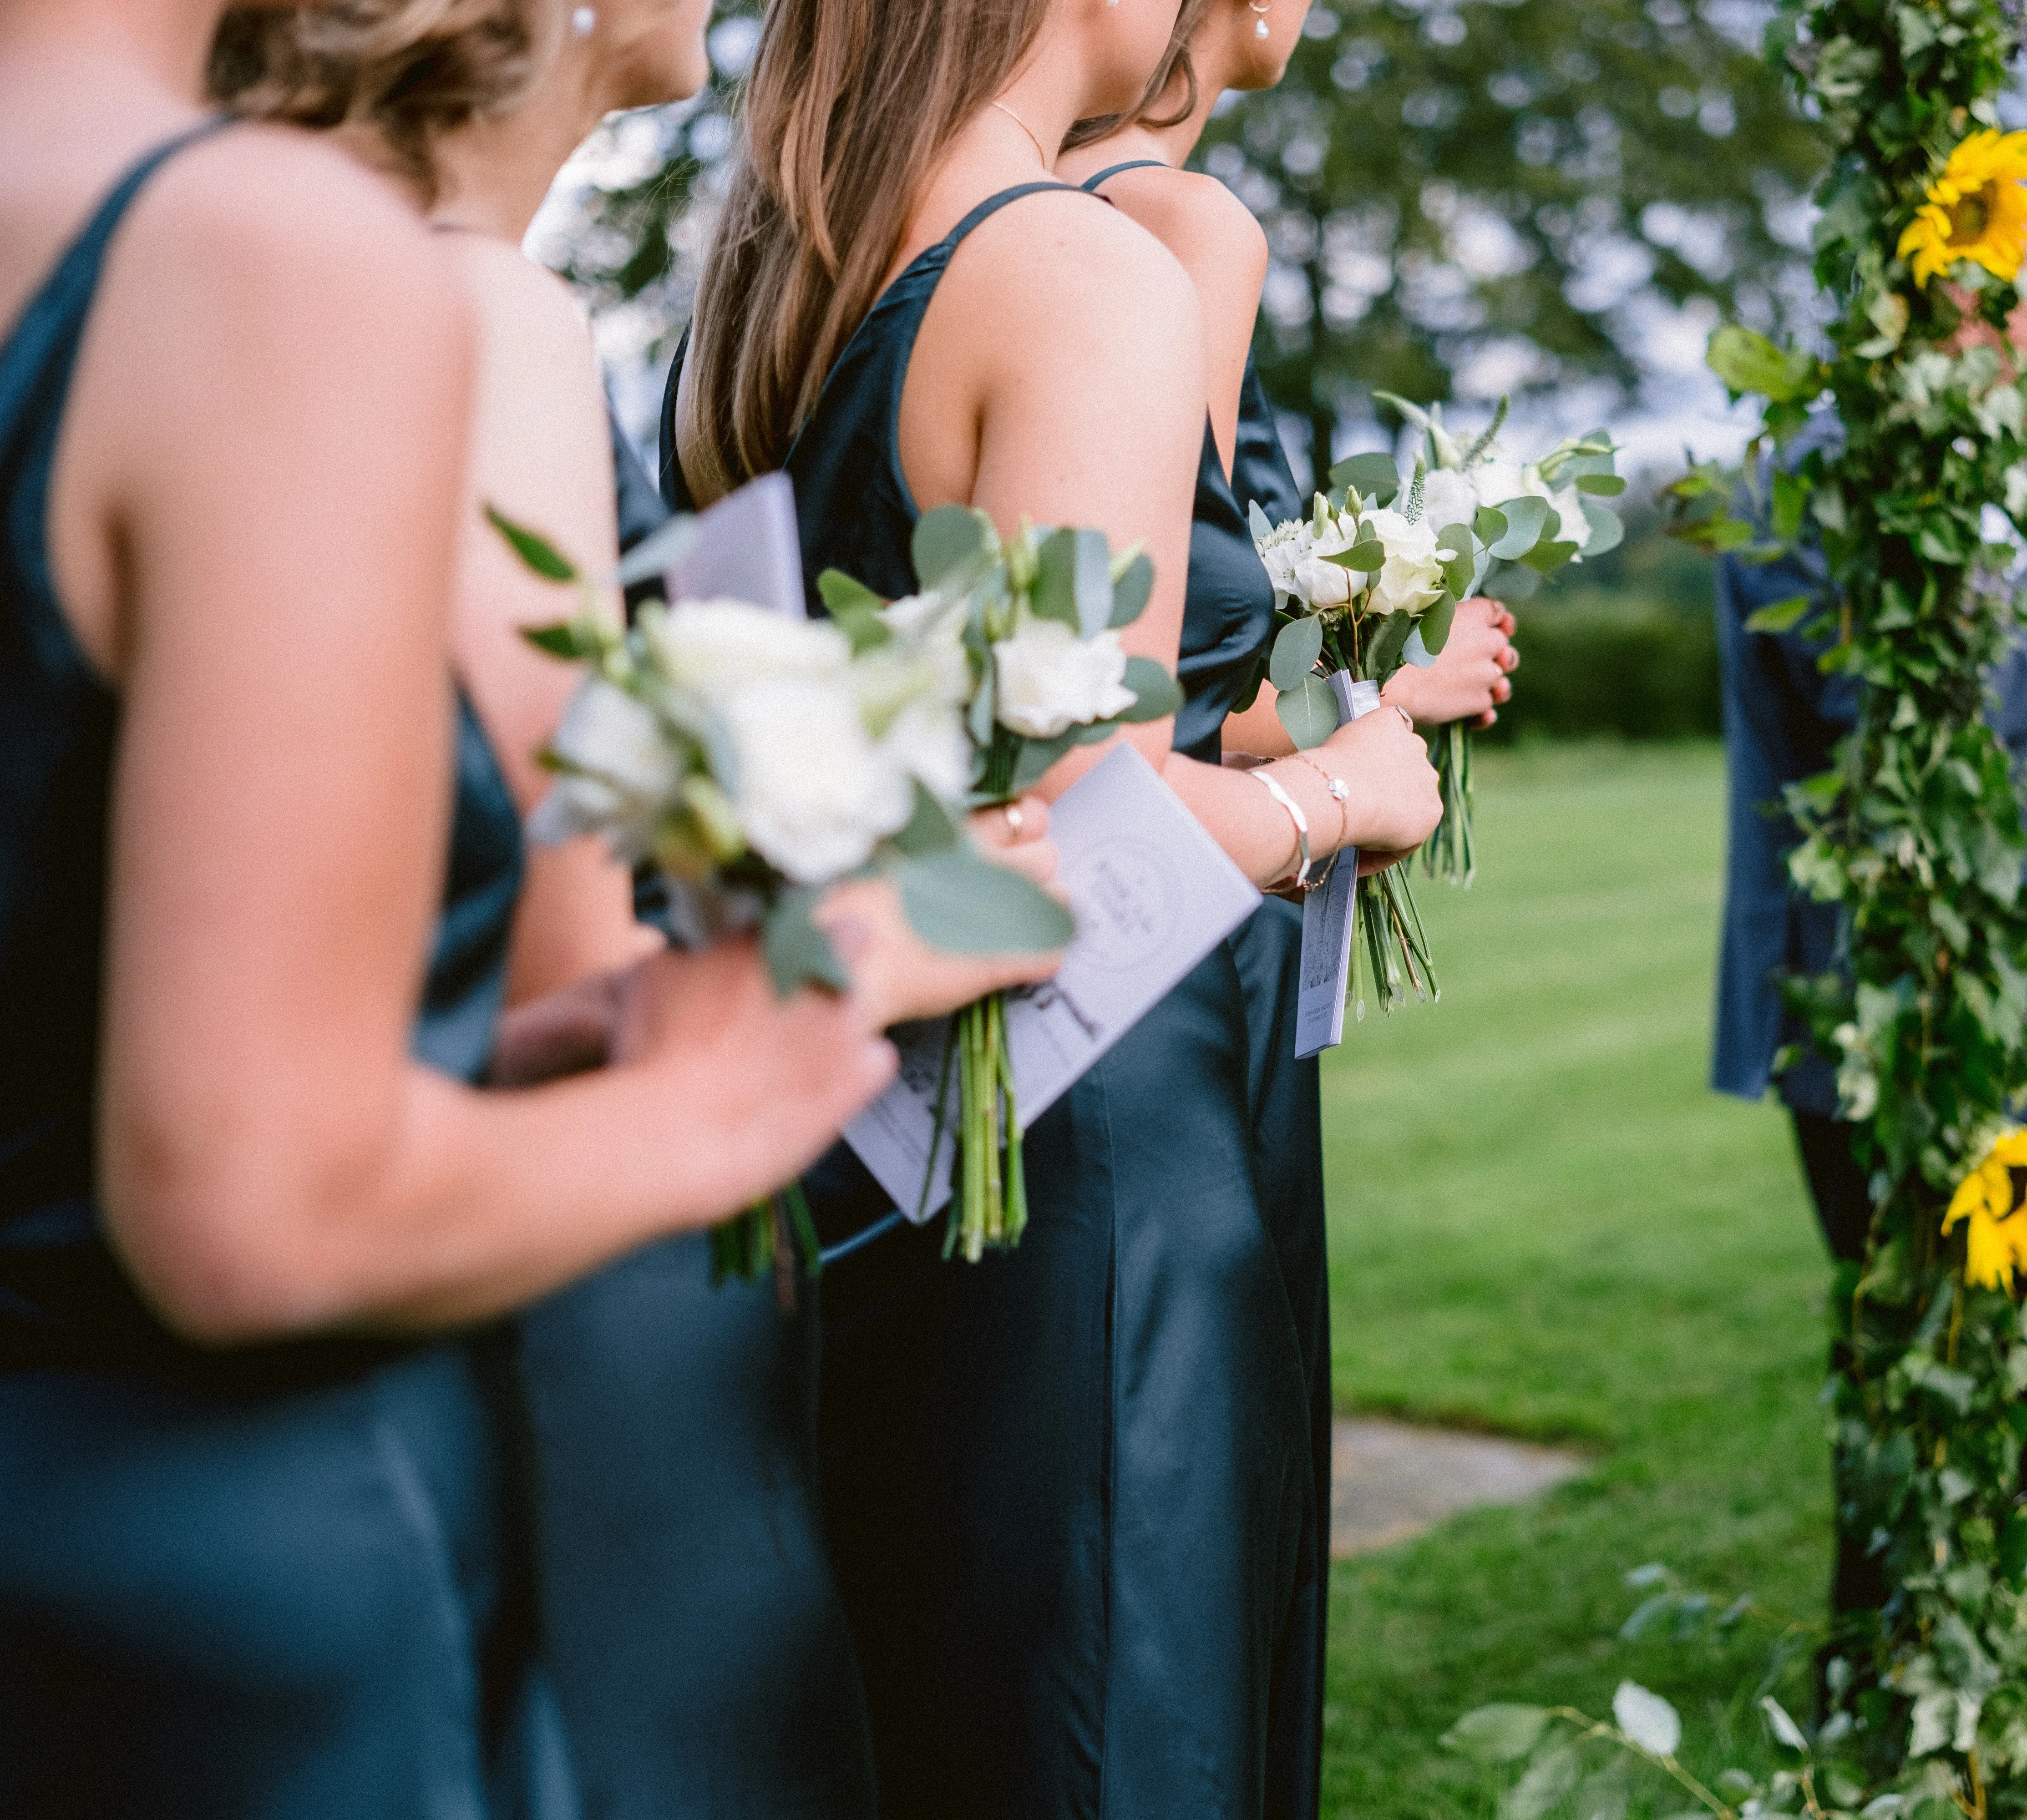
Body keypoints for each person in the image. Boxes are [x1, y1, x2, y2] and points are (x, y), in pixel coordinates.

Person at [0, 0, 1047, 1810]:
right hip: (215, 1590)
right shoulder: (253, 255)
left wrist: (539, 1031)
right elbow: (260, 1204)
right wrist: (731, 1086)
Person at [665, 0, 1443, 1812]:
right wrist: (1339, 791)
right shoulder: (1079, 276)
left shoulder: (786, 283)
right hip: (1077, 1163)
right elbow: (1082, 845)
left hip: (861, 1150)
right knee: (1107, 1733)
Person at [1049, 9, 1524, 1806]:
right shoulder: (1178, 230)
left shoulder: (952, 216)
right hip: (1164, 930)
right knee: (1175, 1530)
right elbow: (1169, 676)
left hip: (1053, 911)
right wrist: (1374, 719)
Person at [1709, 197, 2027, 1625]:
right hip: (1875, 1006)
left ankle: (1979, 1674)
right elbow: (1890, 717)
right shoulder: (1816, 466)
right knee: (1922, 1353)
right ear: (1972, 295)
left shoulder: (1969, 474)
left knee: (1994, 1355)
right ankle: (1896, 1694)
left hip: (1997, 983)